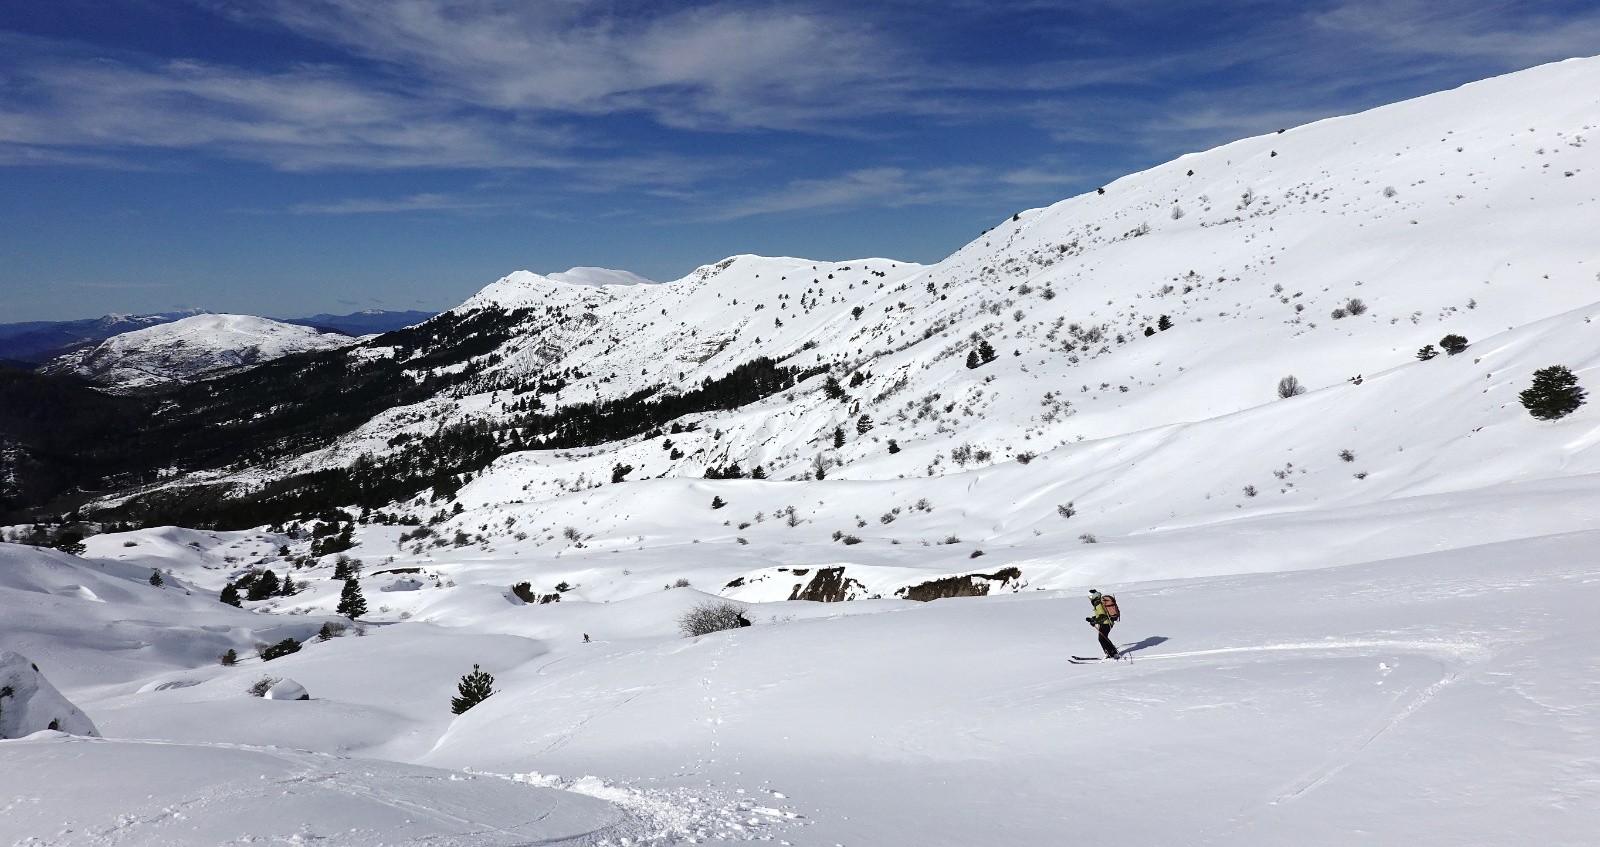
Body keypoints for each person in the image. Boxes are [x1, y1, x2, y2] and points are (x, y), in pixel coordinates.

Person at [1085, 589, 1118, 658]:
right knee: (1104, 638)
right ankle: (1113, 652)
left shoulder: (1097, 603)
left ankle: (1109, 654)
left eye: (1089, 597)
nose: (1089, 599)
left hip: (1105, 623)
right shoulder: (1099, 602)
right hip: (1107, 622)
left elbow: (1102, 616)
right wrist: (1092, 619)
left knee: (1101, 639)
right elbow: (1101, 614)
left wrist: (1094, 622)